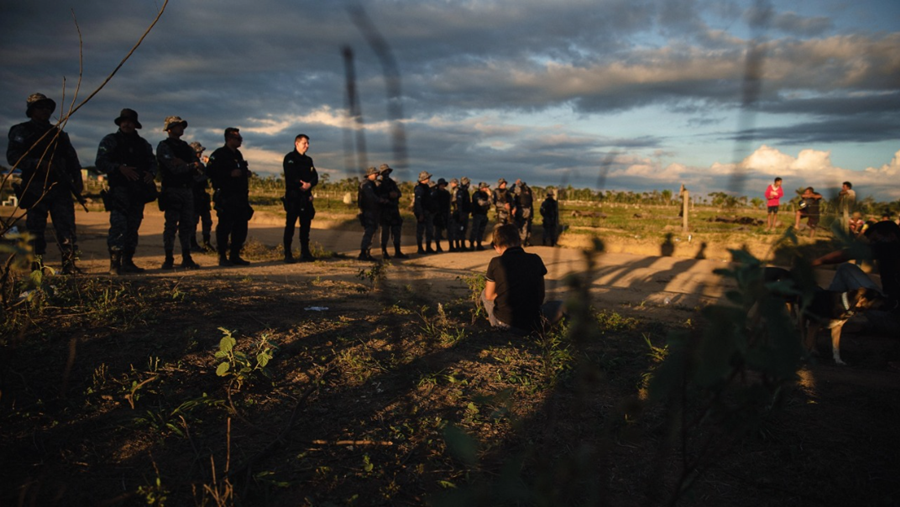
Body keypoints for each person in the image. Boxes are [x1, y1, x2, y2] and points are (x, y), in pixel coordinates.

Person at [7, 93, 85, 274]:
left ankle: (69, 265)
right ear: (31, 110)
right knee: (35, 229)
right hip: (35, 186)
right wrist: (37, 163)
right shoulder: (21, 131)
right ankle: (37, 267)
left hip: (60, 187)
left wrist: (77, 179)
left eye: (48, 107)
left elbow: (72, 159)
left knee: (66, 228)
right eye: (40, 107)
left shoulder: (58, 133)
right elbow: (13, 157)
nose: (45, 110)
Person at [95, 108, 157, 275]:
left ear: (135, 125)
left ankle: (128, 261)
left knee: (133, 227)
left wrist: (151, 174)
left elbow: (153, 162)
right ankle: (115, 263)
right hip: (119, 191)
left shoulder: (143, 144)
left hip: (138, 191)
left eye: (130, 122)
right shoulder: (110, 140)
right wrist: (119, 168)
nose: (127, 124)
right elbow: (100, 163)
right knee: (118, 226)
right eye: (124, 121)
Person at [812, 220, 900, 323]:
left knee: (845, 269)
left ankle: (827, 309)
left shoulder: (891, 247)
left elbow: (848, 254)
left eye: (875, 240)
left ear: (891, 236)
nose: (873, 244)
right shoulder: (891, 250)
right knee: (847, 269)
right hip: (891, 305)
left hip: (891, 311)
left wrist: (816, 262)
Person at [481, 224, 562, 333]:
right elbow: (540, 296)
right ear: (520, 241)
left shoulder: (496, 262)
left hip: (504, 323)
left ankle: (496, 324)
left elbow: (489, 296)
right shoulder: (535, 259)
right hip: (532, 322)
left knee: (484, 293)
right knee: (560, 304)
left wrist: (505, 293)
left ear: (496, 247)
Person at [157, 116, 203, 270]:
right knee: (171, 225)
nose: (181, 128)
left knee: (187, 225)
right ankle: (168, 258)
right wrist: (191, 165)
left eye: (182, 126)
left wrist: (186, 164)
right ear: (169, 129)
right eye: (178, 126)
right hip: (172, 190)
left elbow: (200, 169)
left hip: (187, 190)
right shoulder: (164, 146)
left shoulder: (186, 147)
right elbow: (173, 168)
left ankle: (186, 256)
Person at [207, 127, 253, 266]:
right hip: (226, 196)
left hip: (240, 197)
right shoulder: (219, 154)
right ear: (229, 139)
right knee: (225, 227)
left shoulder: (238, 154)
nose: (240, 141)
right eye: (238, 138)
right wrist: (229, 174)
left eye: (241, 138)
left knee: (240, 227)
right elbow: (210, 172)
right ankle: (222, 256)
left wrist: (245, 172)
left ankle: (235, 255)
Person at [282, 134, 318, 263]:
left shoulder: (308, 160)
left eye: (308, 143)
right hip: (293, 197)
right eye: (304, 143)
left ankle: (305, 253)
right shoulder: (290, 158)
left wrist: (309, 185)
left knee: (305, 226)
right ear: (296, 143)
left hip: (306, 197)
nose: (307, 146)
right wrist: (300, 185)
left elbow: (315, 177)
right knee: (290, 226)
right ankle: (288, 253)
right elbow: (291, 175)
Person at [376, 163, 407, 259]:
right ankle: (384, 251)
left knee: (396, 231)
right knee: (385, 231)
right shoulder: (378, 183)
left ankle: (397, 251)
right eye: (384, 171)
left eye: (388, 171)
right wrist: (388, 195)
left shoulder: (392, 182)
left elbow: (399, 193)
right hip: (384, 210)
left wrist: (396, 194)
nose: (387, 173)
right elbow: (376, 196)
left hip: (394, 210)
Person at [189, 141, 214, 253]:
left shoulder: (200, 165)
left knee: (207, 220)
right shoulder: (190, 165)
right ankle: (193, 243)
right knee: (193, 221)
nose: (200, 153)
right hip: (193, 195)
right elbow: (199, 178)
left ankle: (206, 242)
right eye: (198, 151)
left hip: (201, 195)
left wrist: (208, 165)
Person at [357, 166, 384, 261]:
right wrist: (380, 200)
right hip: (368, 211)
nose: (377, 175)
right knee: (369, 232)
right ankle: (363, 253)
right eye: (375, 173)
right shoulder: (366, 184)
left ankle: (367, 253)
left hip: (372, 211)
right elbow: (370, 197)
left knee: (372, 232)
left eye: (377, 173)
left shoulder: (372, 184)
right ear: (369, 174)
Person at [414, 170, 437, 254]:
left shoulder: (426, 187)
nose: (429, 179)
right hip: (422, 212)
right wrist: (420, 214)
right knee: (420, 231)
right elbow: (418, 202)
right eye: (427, 177)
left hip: (428, 212)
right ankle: (420, 248)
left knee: (429, 230)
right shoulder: (419, 188)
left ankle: (428, 247)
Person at [450, 177, 472, 252]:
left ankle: (463, 245)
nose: (468, 184)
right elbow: (459, 204)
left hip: (465, 213)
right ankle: (458, 246)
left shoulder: (465, 192)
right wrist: (460, 214)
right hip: (460, 214)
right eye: (467, 183)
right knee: (458, 230)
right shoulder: (460, 192)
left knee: (463, 230)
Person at [470, 181, 492, 250]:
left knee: (481, 230)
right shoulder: (476, 194)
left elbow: (491, 203)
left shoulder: (485, 195)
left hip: (484, 214)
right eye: (485, 188)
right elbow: (481, 203)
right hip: (477, 214)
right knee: (475, 230)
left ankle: (479, 244)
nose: (486, 189)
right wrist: (489, 198)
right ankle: (471, 244)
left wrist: (489, 197)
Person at [432, 178, 451, 252]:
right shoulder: (435, 193)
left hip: (445, 214)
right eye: (441, 185)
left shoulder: (446, 193)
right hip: (438, 215)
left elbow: (448, 204)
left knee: (448, 230)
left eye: (443, 185)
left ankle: (451, 246)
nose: (442, 186)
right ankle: (438, 246)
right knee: (438, 231)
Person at [513, 179, 534, 245]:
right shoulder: (529, 190)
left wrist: (514, 184)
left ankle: (520, 240)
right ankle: (524, 241)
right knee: (525, 225)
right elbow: (533, 199)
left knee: (518, 225)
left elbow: (510, 190)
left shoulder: (518, 189)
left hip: (520, 209)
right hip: (528, 210)